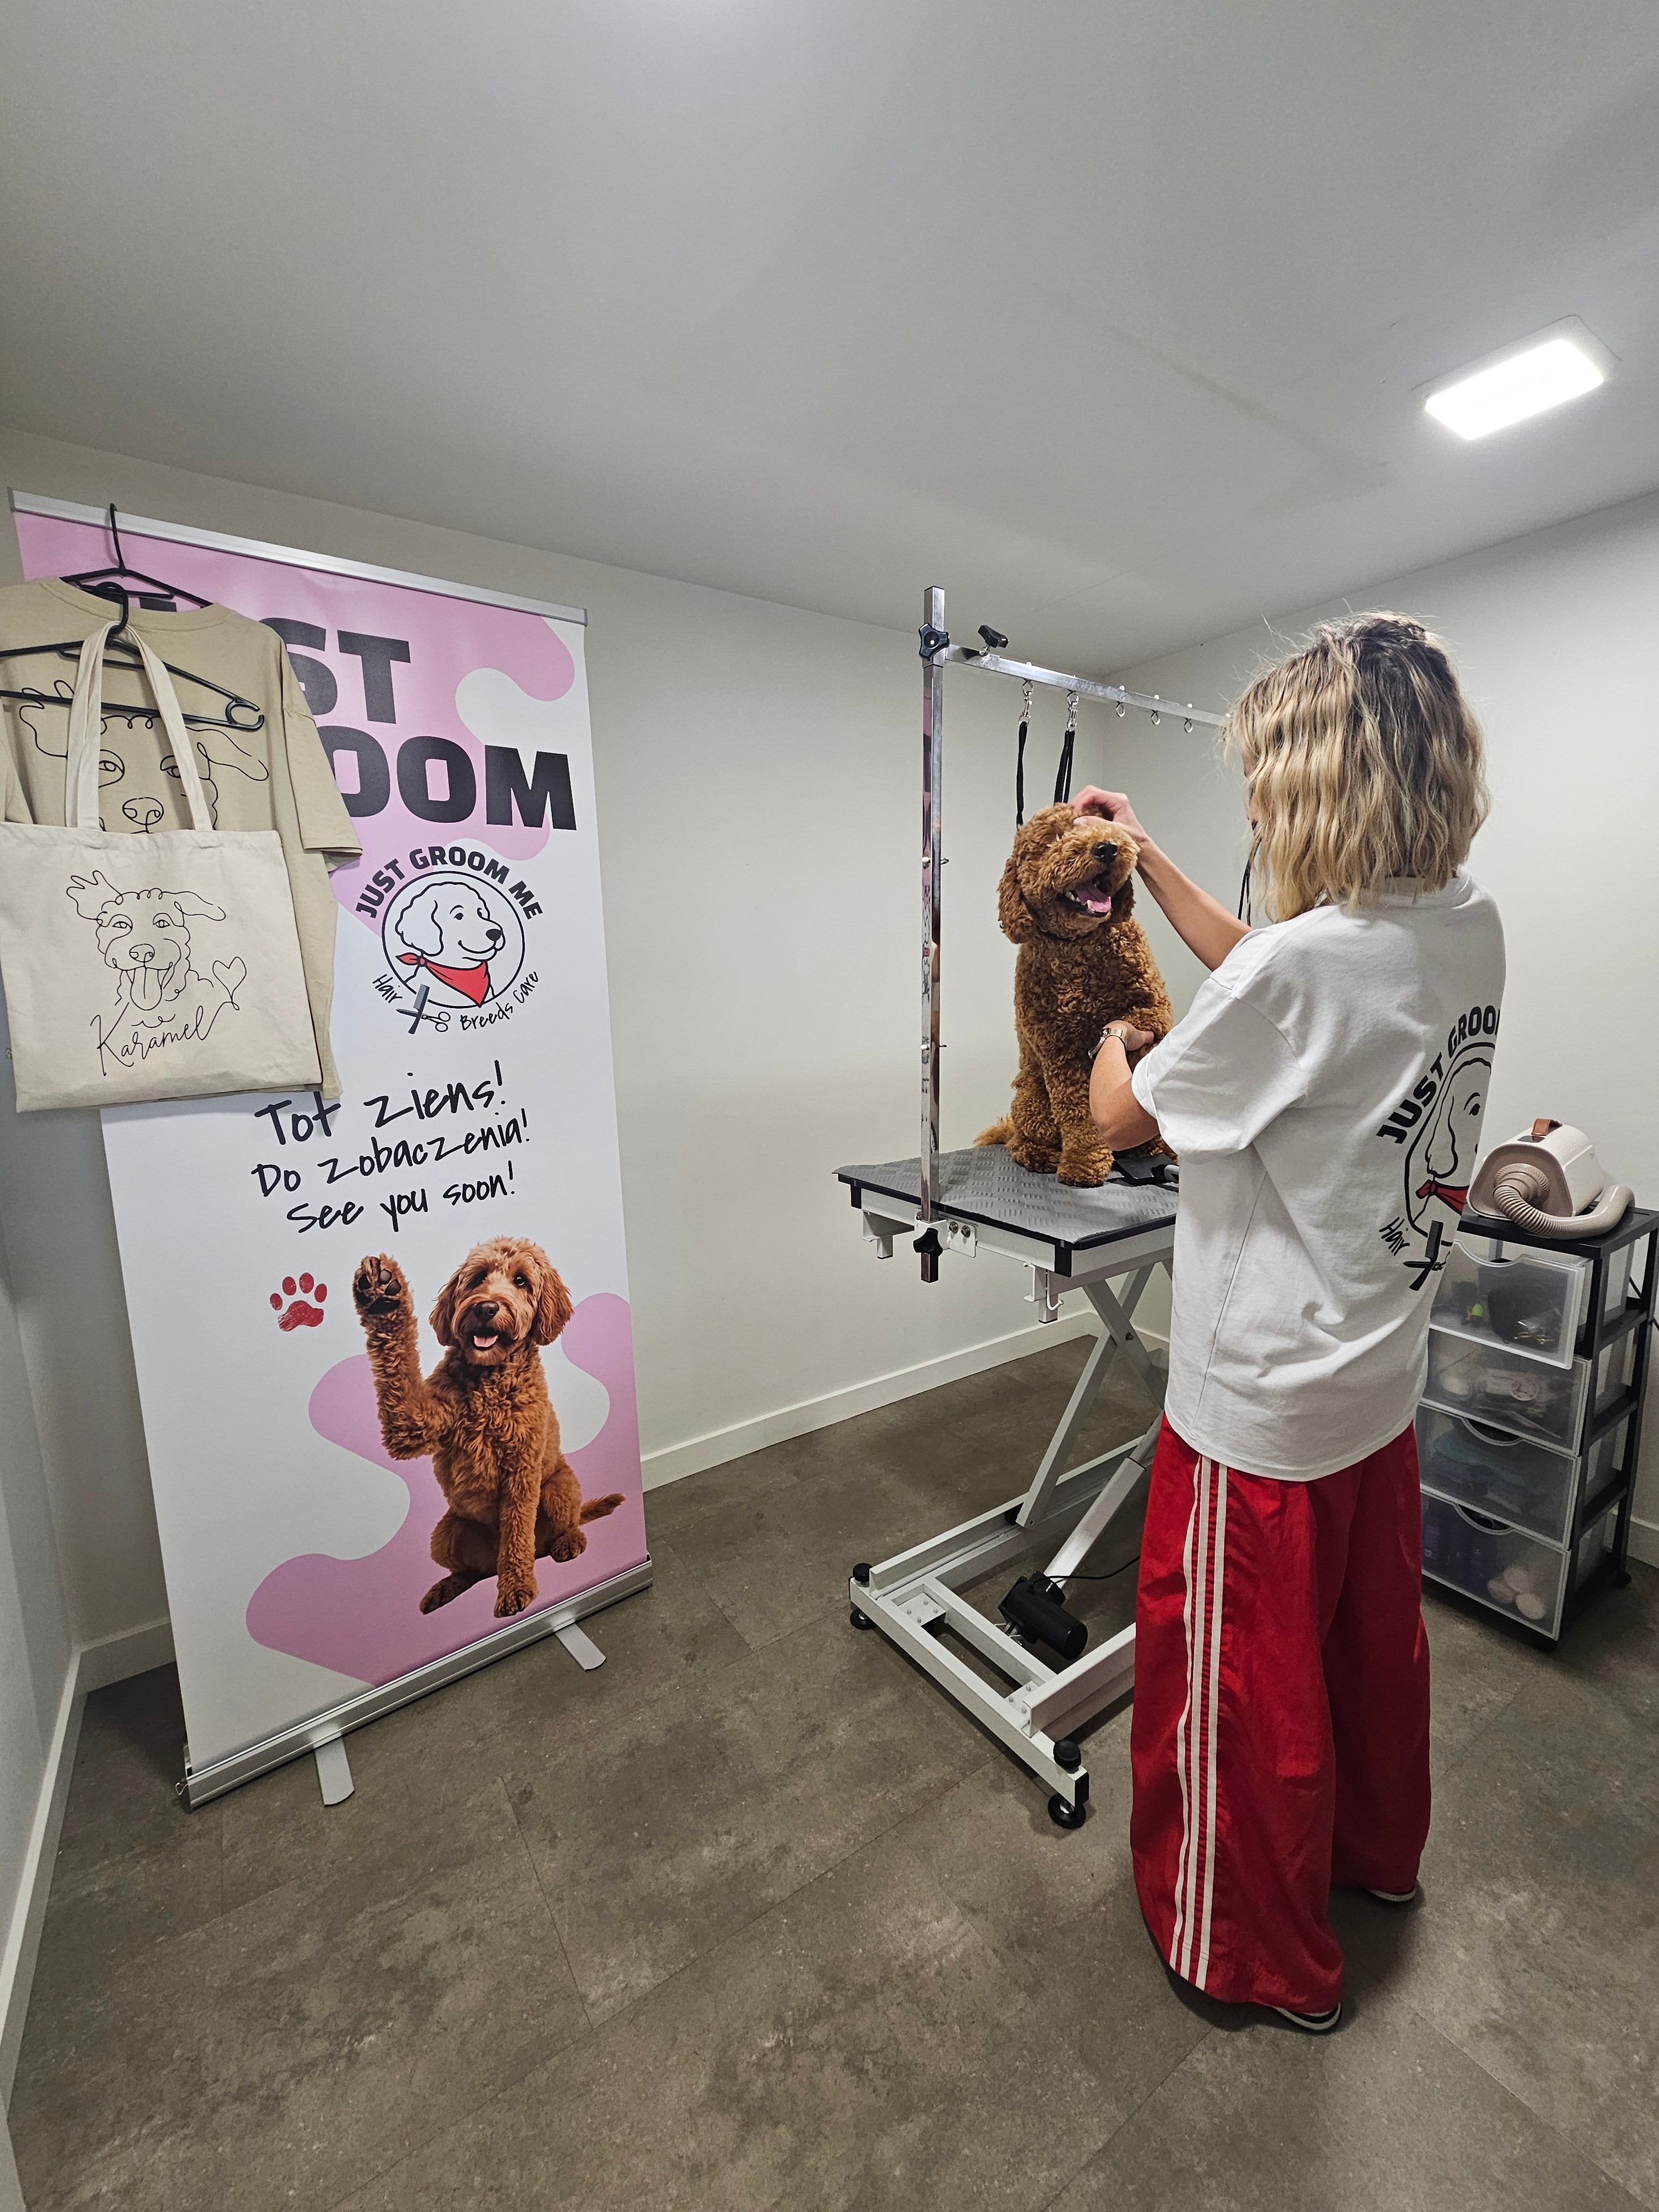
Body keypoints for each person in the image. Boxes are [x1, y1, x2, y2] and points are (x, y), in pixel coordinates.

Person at [1076, 613, 1503, 2033]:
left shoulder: (1292, 973)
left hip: (1255, 1415)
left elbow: (1128, 1114)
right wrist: (1145, 865)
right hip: (1377, 1392)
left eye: (1265, 778)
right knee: (1366, 1656)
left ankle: (1246, 1948)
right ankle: (1376, 1864)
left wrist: (1115, 1033)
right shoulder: (1459, 928)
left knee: (1233, 1698)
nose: (1254, 805)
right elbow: (1284, 964)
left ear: (1326, 785)